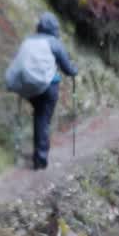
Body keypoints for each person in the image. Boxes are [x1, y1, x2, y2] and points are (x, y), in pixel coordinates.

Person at [20, 13, 78, 170]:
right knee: (43, 119)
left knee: (38, 117)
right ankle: (40, 159)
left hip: (29, 87)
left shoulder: (29, 41)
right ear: (54, 28)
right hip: (48, 87)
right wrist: (74, 70)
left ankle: (37, 154)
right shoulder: (54, 43)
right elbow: (67, 68)